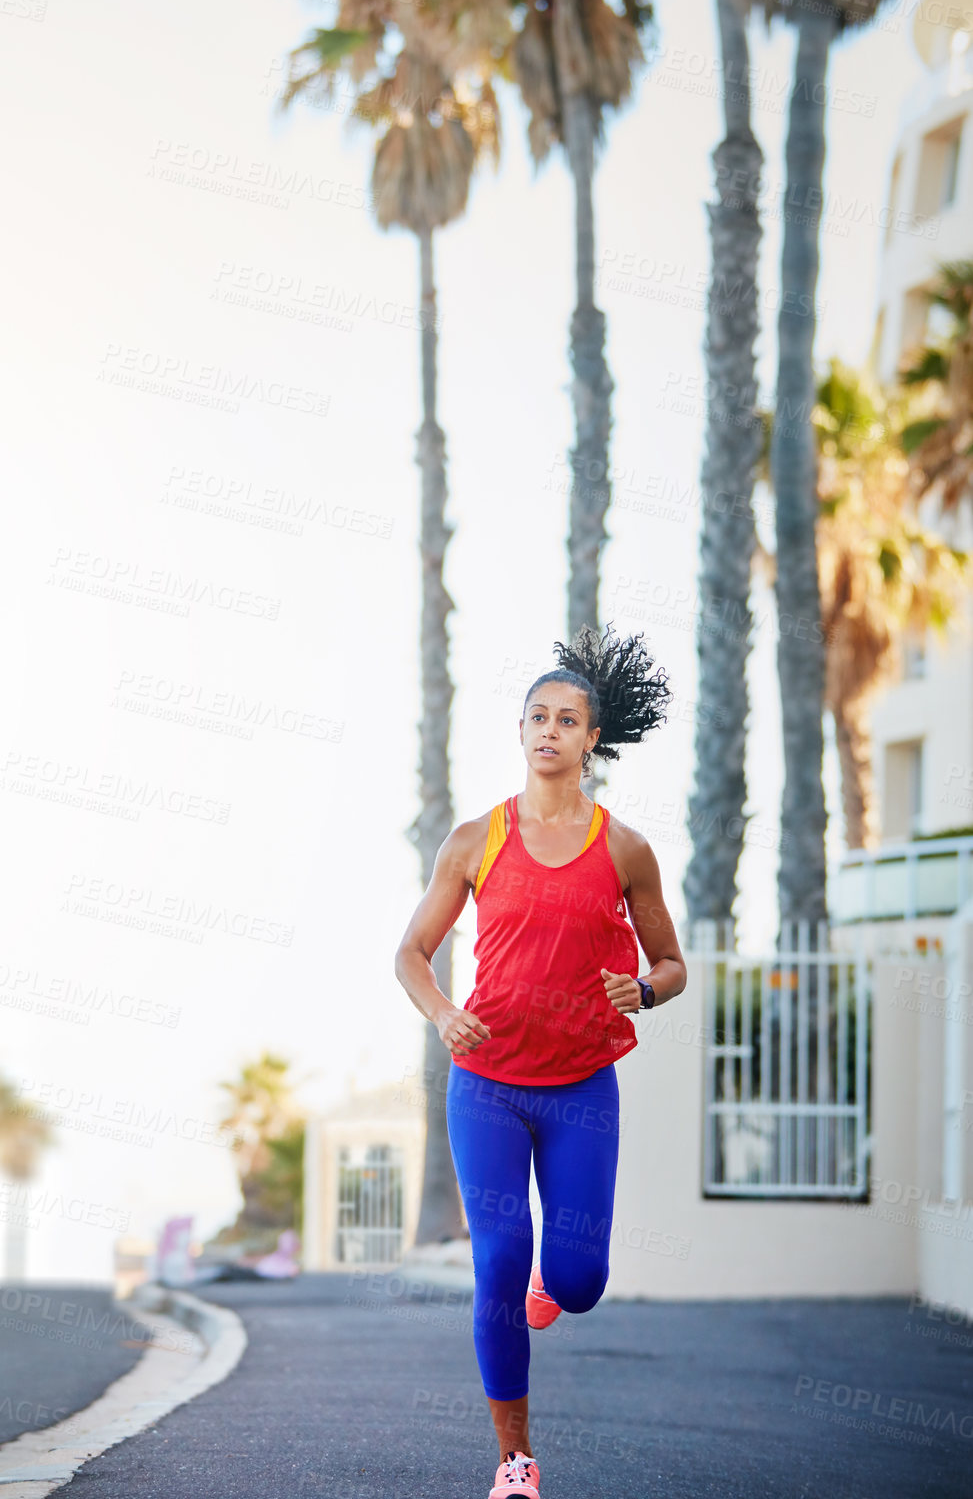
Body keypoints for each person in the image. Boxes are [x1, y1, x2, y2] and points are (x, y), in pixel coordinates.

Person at [395, 624, 687, 1499]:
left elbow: (671, 964)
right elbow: (411, 952)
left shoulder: (625, 847)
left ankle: (552, 1292)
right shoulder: (476, 839)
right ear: (521, 732)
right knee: (496, 1256)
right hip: (486, 1083)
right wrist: (443, 1012)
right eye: (536, 717)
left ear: (593, 739)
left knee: (578, 1278)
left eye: (567, 719)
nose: (549, 731)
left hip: (579, 1091)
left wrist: (646, 988)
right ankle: (514, 1460)